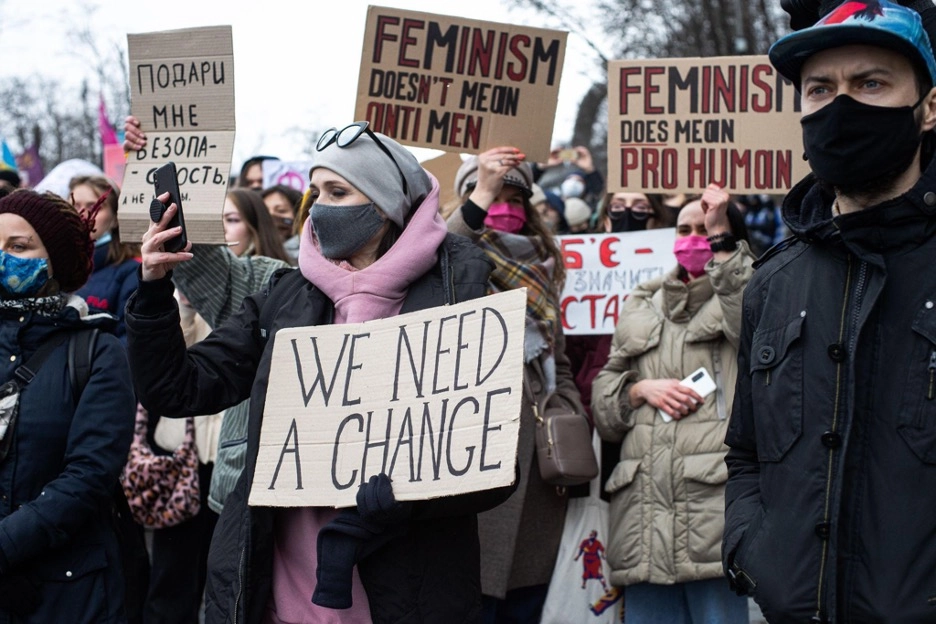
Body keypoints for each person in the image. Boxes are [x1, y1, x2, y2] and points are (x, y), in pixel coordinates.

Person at [124, 121, 515, 623]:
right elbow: (176, 389)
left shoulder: (456, 300)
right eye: (316, 191)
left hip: (402, 594)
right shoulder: (285, 299)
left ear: (386, 204)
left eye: (337, 191)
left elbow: (495, 467)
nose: (318, 207)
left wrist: (410, 498)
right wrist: (154, 291)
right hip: (279, 595)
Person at [724, 2, 936, 622]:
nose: (841, 106)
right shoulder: (773, 283)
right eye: (820, 89)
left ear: (927, 107)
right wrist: (752, 551)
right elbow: (747, 455)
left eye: (871, 83)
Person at [591, 184, 754, 624]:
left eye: (707, 229)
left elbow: (749, 325)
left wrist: (722, 237)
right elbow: (604, 396)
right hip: (643, 511)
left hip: (711, 513)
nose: (694, 237)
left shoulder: (750, 293)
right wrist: (638, 391)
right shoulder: (642, 301)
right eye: (685, 228)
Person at [449, 146, 586, 623]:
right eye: (492, 196)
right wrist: (482, 188)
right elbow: (438, 252)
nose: (504, 207)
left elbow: (560, 360)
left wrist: (565, 407)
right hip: (472, 456)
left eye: (514, 197)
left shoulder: (544, 269)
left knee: (524, 601)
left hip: (537, 466)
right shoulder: (456, 259)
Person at [0, 190, 136, 622]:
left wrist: (5, 545)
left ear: (54, 262)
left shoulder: (98, 351)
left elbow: (89, 475)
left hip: (67, 589)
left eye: (18, 247)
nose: (2, 256)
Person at [69, 175, 140, 340]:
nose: (82, 213)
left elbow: (129, 345)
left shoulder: (132, 273)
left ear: (115, 219)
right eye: (74, 205)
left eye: (94, 206)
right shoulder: (50, 266)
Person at [221, 189, 293, 263]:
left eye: (232, 219)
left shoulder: (277, 270)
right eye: (212, 221)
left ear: (256, 228)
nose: (218, 229)